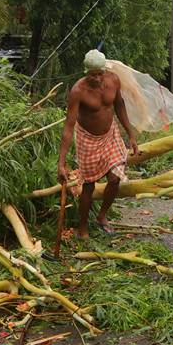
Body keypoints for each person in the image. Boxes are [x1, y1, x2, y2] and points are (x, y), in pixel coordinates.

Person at [57, 50, 139, 238]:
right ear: (86, 72)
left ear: (104, 71)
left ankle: (102, 216)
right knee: (89, 186)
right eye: (92, 75)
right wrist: (61, 163)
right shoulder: (78, 91)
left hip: (110, 134)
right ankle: (83, 227)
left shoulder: (113, 80)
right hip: (88, 139)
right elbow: (69, 126)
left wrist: (131, 135)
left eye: (99, 74)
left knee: (115, 179)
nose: (96, 78)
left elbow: (119, 105)